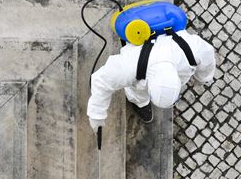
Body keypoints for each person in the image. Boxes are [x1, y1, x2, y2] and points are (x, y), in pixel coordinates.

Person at [87, 29, 216, 131]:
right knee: (137, 92)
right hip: (139, 43)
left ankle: (141, 103)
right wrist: (96, 115)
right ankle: (140, 103)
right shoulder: (129, 66)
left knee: (138, 89)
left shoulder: (191, 50)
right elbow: (100, 80)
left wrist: (204, 77)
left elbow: (207, 54)